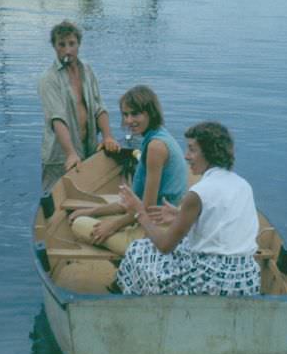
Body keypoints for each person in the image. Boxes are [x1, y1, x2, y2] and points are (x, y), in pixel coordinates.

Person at [115, 121, 261, 296]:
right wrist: (179, 215)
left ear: (209, 152)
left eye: (192, 149)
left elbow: (164, 246)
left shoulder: (198, 193)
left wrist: (139, 211)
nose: (186, 156)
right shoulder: (243, 185)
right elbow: (220, 223)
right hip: (247, 277)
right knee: (183, 246)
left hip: (212, 281)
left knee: (138, 250)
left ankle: (128, 294)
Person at [69, 85, 187, 254]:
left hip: (154, 234)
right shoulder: (159, 136)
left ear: (150, 113)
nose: (129, 120)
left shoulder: (155, 148)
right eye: (125, 114)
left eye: (135, 114)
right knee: (90, 216)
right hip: (163, 220)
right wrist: (92, 211)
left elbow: (145, 209)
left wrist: (112, 226)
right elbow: (134, 204)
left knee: (78, 224)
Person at [38, 20, 119, 193]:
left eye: (71, 44)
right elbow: (57, 119)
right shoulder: (48, 79)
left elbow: (99, 107)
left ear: (78, 44)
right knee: (55, 204)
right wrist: (70, 153)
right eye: (62, 45)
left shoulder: (87, 71)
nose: (67, 50)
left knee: (87, 198)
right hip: (60, 157)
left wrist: (107, 137)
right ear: (54, 46)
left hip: (88, 150)